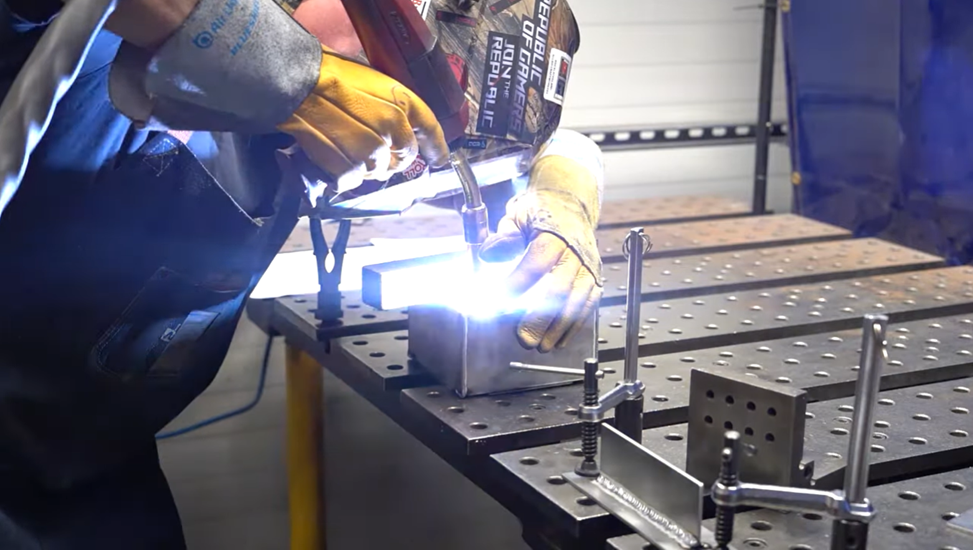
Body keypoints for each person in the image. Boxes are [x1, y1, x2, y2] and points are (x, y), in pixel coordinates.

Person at [0, 0, 603, 547]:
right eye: (384, 84)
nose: (393, 145)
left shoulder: (319, 145)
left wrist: (565, 191)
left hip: (93, 483)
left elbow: (514, 169)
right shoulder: (61, 42)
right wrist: (272, 61)